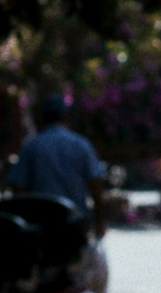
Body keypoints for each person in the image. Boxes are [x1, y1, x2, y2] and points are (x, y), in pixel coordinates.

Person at [6, 96, 107, 233]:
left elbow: (17, 186)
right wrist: (100, 219)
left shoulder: (32, 146)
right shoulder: (81, 145)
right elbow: (95, 184)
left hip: (41, 224)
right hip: (75, 223)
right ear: (66, 116)